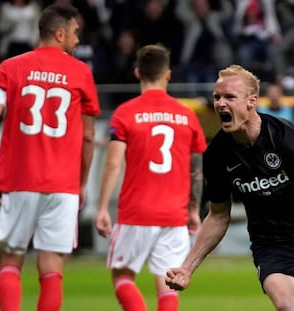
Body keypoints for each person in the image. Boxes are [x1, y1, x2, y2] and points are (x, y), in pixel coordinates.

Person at [165, 65, 294, 311]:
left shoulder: (287, 137)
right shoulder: (217, 155)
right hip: (273, 246)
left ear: (251, 101)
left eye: (229, 97)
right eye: (217, 97)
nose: (220, 104)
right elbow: (218, 215)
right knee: (287, 307)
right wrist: (187, 268)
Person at [0, 3, 100, 311]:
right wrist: (81, 183)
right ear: (59, 33)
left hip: (18, 180)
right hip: (63, 184)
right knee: (52, 268)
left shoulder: (9, 68)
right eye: (75, 32)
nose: (78, 39)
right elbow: (88, 136)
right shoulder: (81, 73)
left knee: (10, 261)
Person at [95, 44, 207, 311]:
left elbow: (112, 164)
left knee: (122, 278)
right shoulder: (186, 115)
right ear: (168, 74)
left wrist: (101, 207)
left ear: (137, 72)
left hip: (136, 211)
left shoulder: (126, 112)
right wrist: (193, 210)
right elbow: (197, 170)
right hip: (174, 214)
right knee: (168, 283)